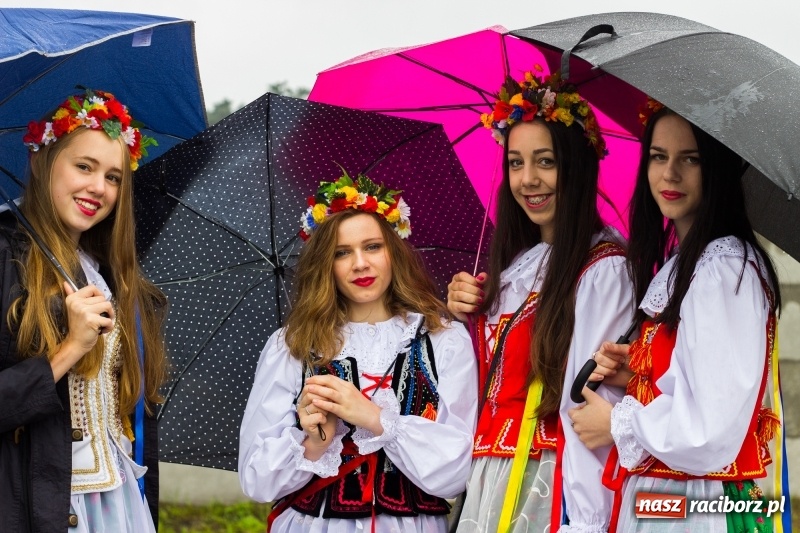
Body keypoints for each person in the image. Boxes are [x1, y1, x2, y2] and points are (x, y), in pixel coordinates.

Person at [569, 100, 784, 533]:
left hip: (696, 506)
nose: (669, 174)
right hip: (668, 499)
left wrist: (615, 422)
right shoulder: (692, 261)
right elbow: (701, 378)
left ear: (718, 170)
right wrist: (640, 370)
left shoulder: (723, 269)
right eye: (658, 156)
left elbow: (707, 427)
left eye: (691, 159)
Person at [447, 68, 635, 533]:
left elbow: (589, 402)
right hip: (488, 478)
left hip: (549, 484)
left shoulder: (603, 268)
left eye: (545, 161)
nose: (528, 179)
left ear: (576, 165)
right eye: (515, 163)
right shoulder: (514, 268)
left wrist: (588, 519)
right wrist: (460, 318)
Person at [238, 170, 478, 532]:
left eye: (372, 246)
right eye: (341, 253)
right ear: (325, 265)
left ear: (393, 251)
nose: (360, 264)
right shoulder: (292, 346)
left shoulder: (443, 340)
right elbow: (257, 481)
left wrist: (375, 418)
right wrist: (314, 442)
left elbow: (458, 473)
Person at [0, 89, 167, 532]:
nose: (99, 188)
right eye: (84, 167)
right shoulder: (4, 259)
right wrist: (70, 348)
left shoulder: (112, 275)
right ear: (41, 162)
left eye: (114, 177)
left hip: (118, 501)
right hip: (39, 503)